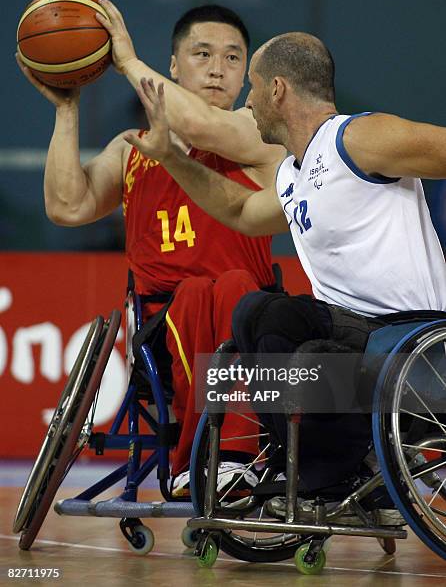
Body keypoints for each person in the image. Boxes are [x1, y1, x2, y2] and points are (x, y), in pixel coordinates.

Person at [121, 31, 446, 522]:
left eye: (251, 87)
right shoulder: (296, 174)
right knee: (257, 311)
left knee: (299, 345)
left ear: (276, 90)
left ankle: (336, 472)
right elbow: (243, 211)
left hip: (413, 345)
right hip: (357, 342)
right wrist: (171, 157)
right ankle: (314, 472)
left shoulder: (356, 138)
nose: (246, 102)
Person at [16, 3, 286, 495]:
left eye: (231, 58)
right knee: (199, 293)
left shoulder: (259, 137)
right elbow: (67, 205)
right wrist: (66, 109)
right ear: (175, 67)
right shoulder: (132, 148)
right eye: (201, 54)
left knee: (228, 287)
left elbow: (203, 128)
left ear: (246, 73)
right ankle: (213, 456)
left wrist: (125, 62)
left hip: (247, 323)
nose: (216, 68)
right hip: (162, 326)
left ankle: (232, 454)